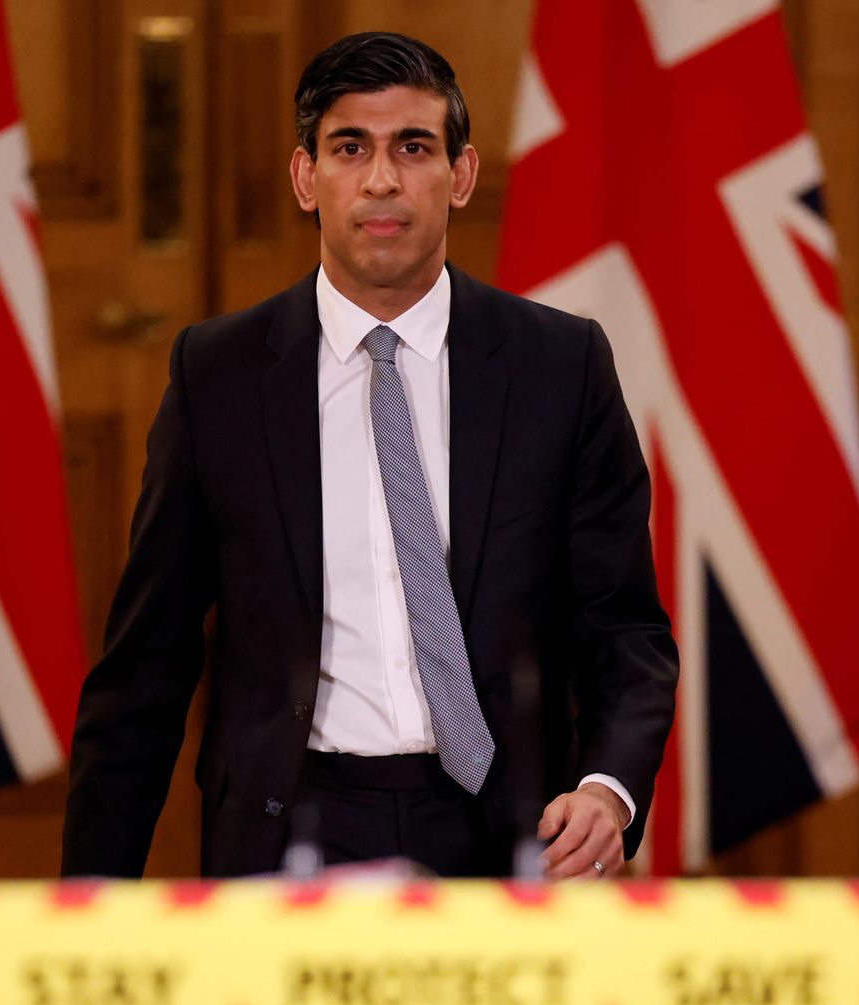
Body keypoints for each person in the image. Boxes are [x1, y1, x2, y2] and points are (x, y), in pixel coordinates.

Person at [61, 31, 677, 880]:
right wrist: (89, 907)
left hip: (511, 832)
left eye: (413, 147)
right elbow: (146, 664)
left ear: (460, 176)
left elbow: (624, 626)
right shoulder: (219, 376)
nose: (382, 180)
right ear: (306, 178)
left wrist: (607, 789)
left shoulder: (559, 367)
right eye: (350, 147)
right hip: (289, 831)